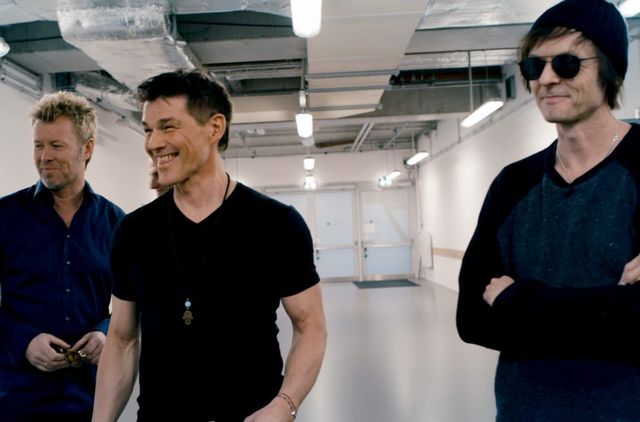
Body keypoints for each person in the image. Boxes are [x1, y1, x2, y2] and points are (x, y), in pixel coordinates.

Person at [93, 70, 327, 422]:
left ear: (215, 128)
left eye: (168, 127)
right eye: (148, 129)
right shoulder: (134, 231)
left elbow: (310, 326)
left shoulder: (276, 223)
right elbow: (122, 340)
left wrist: (285, 404)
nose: (153, 143)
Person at [456, 0, 640, 420]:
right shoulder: (511, 186)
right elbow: (472, 318)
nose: (547, 79)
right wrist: (608, 310)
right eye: (534, 67)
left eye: (568, 64)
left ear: (610, 69)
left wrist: (518, 301)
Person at [0, 91, 125, 421]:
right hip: (17, 401)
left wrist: (105, 332)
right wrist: (24, 341)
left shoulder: (116, 223)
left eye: (56, 146)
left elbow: (133, 305)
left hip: (91, 401)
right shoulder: (5, 217)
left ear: (87, 148)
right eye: (38, 146)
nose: (44, 157)